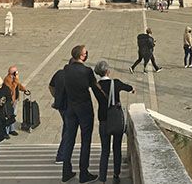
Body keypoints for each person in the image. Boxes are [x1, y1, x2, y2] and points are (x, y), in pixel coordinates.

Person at [60, 45, 99, 183]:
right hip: (84, 109)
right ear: (82, 56)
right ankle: (84, 174)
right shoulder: (87, 71)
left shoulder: (66, 69)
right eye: (85, 52)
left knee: (69, 139)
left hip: (71, 108)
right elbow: (95, 88)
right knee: (85, 141)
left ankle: (66, 172)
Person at [92, 61, 133, 184]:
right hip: (116, 120)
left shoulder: (96, 86)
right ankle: (116, 174)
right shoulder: (116, 83)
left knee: (105, 150)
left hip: (103, 119)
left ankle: (102, 177)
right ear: (108, 71)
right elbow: (129, 88)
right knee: (117, 147)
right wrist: (133, 89)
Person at [49, 59, 75, 164]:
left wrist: (56, 97)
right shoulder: (73, 76)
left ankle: (63, 154)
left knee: (67, 128)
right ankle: (61, 155)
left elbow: (50, 86)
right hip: (70, 107)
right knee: (68, 130)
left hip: (60, 106)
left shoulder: (59, 73)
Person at [2, 65, 29, 136]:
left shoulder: (14, 78)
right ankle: (6, 131)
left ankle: (12, 129)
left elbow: (18, 85)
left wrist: (24, 89)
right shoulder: (7, 79)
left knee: (13, 115)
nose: (17, 73)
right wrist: (16, 81)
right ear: (13, 73)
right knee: (9, 115)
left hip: (15, 100)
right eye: (16, 72)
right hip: (10, 101)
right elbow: (11, 89)